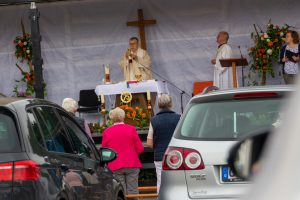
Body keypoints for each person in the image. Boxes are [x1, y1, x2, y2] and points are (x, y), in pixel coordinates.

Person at [102, 108, 144, 199]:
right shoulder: (131, 129)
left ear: (112, 118)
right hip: (131, 163)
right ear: (123, 117)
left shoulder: (107, 132)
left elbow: (105, 152)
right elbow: (140, 149)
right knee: (133, 191)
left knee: (120, 191)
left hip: (115, 164)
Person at [146, 94, 181, 192]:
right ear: (171, 104)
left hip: (160, 155)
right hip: (177, 155)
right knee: (178, 182)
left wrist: (157, 146)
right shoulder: (179, 117)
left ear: (159, 105)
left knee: (161, 182)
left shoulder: (154, 120)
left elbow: (149, 143)